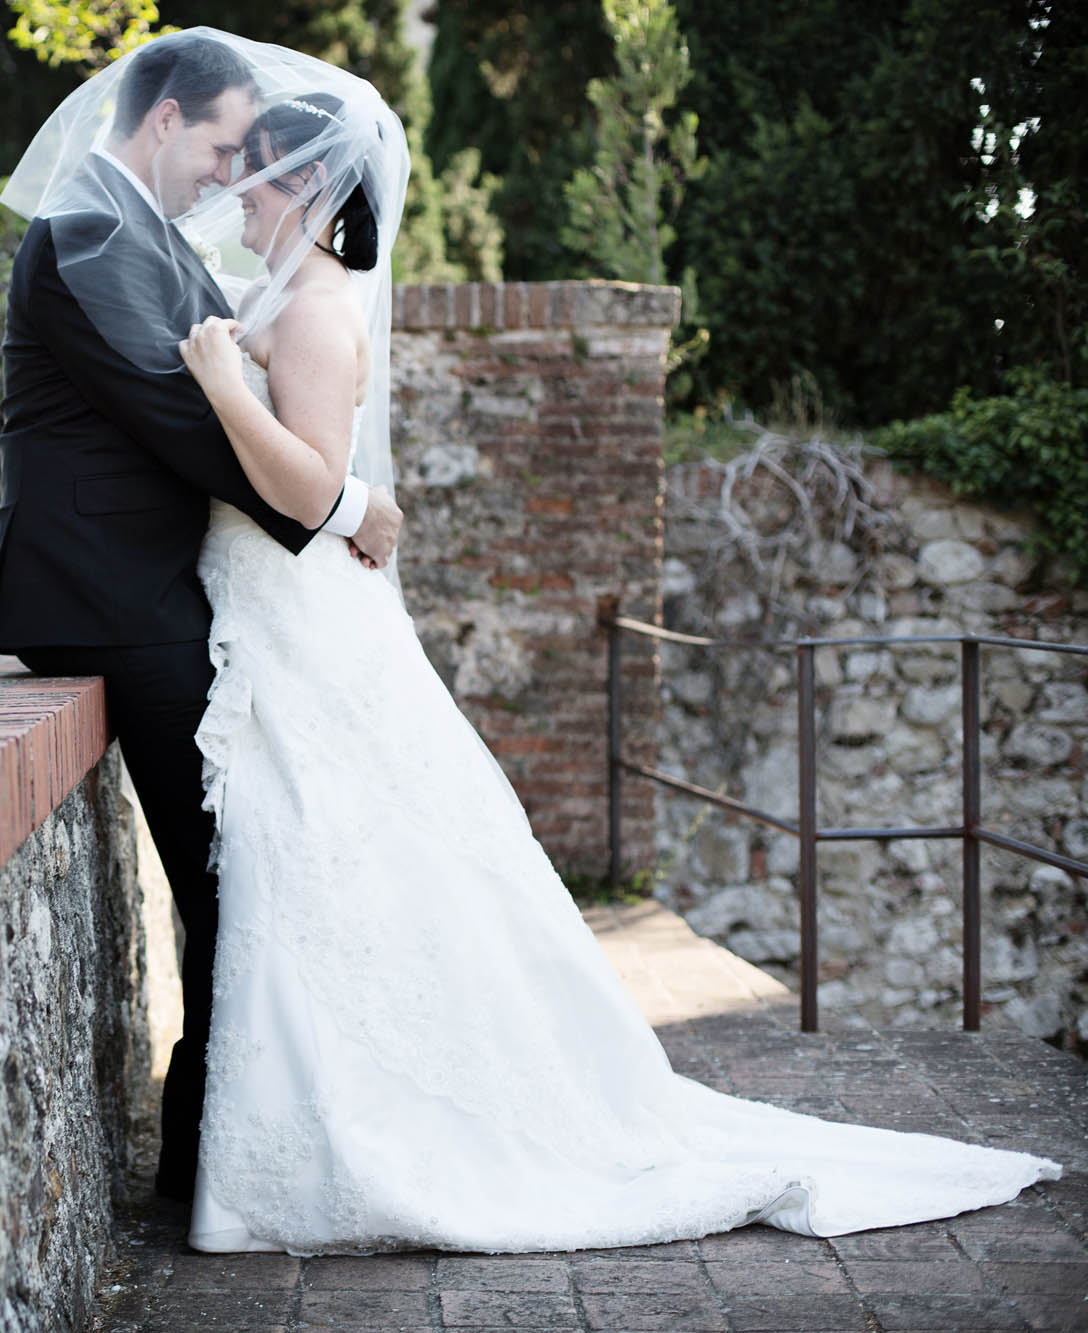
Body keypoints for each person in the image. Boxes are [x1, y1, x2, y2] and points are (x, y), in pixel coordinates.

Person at [130, 36, 1056, 1254]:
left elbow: (306, 495)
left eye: (249, 176)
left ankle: (401, 1117)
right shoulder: (281, 301)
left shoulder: (305, 310)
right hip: (290, 630)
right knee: (341, 868)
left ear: (299, 186)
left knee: (337, 857)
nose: (232, 195)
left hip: (304, 627)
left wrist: (224, 384)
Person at [0, 31, 403, 1207]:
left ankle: (218, 1145)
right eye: (220, 143)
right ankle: (207, 1155)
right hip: (107, 599)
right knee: (229, 877)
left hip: (156, 590)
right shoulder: (85, 234)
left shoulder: (141, 232)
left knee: (239, 873)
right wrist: (340, 510)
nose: (229, 174)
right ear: (164, 119)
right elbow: (182, 417)